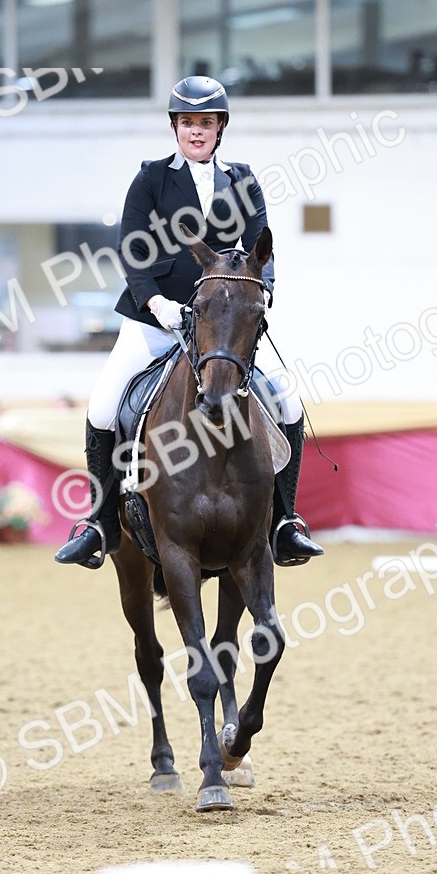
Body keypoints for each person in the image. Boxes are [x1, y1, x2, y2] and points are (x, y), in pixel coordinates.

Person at [55, 75, 323, 569]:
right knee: (103, 406)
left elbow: (262, 251)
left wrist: (257, 304)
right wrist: (156, 304)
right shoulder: (151, 179)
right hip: (154, 326)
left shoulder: (242, 180)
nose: (195, 131)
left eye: (205, 123)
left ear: (219, 128)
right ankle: (98, 523)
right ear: (174, 127)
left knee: (286, 400)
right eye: (186, 123)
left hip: (220, 333)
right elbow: (133, 250)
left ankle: (285, 522)